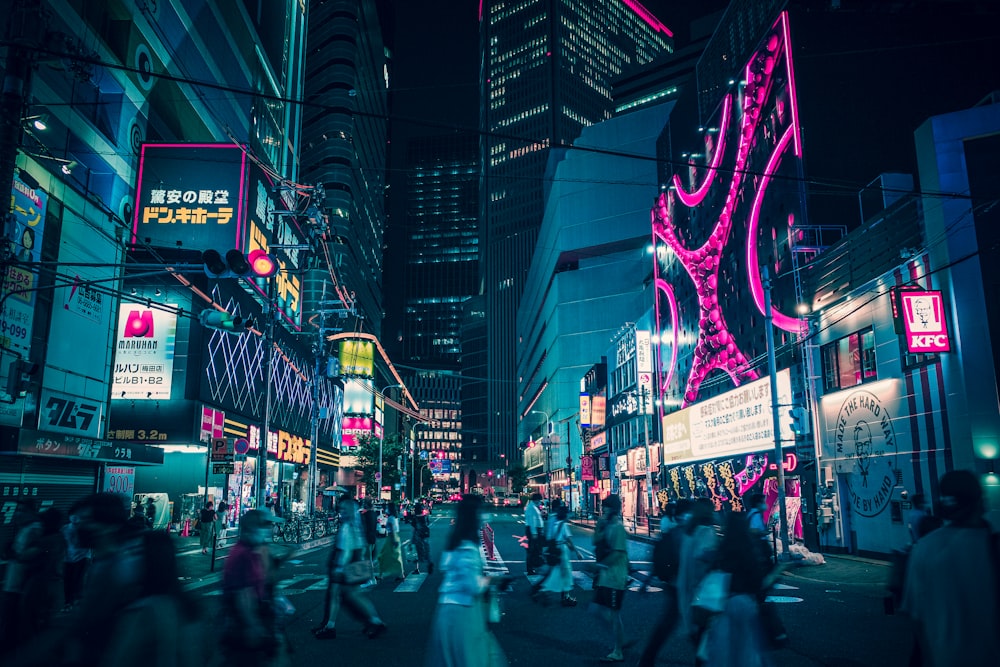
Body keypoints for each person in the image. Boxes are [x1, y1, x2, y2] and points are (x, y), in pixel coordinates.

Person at [902, 470, 1000, 666]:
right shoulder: (992, 547)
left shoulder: (924, 549)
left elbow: (916, 618)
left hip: (945, 658)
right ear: (980, 501)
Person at [424, 494, 508, 667]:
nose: (485, 516)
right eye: (481, 511)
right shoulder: (467, 548)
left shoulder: (454, 542)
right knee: (474, 659)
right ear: (473, 515)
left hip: (447, 611)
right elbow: (473, 586)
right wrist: (492, 579)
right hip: (463, 613)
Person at [102, 530, 209, 667]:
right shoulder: (184, 603)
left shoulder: (145, 612)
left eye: (135, 552)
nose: (124, 558)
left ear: (152, 559)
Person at [700, 510, 781, 666]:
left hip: (722, 608)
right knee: (746, 653)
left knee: (723, 654)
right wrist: (777, 572)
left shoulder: (721, 551)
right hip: (745, 606)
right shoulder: (749, 552)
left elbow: (709, 572)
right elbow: (759, 584)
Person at [312, 497, 387, 640]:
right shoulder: (357, 525)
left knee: (336, 594)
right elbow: (363, 547)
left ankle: (330, 626)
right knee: (353, 594)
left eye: (342, 509)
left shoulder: (346, 527)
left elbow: (345, 551)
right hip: (357, 562)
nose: (340, 512)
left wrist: (339, 568)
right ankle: (375, 621)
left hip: (345, 565)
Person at [221, 509, 286, 666]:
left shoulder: (250, 551)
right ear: (252, 529)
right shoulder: (242, 554)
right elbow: (242, 593)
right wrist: (253, 624)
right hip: (245, 622)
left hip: (252, 617)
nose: (269, 530)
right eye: (266, 526)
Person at [638, 498, 692, 667]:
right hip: (682, 586)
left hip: (675, 585)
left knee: (669, 625)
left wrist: (646, 581)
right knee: (689, 625)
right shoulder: (684, 534)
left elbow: (659, 558)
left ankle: (647, 659)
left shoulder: (674, 532)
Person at [677, 498, 720, 662]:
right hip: (704, 592)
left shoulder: (689, 531)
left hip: (688, 589)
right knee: (706, 643)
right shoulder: (706, 532)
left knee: (700, 642)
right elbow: (705, 556)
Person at [591, 494, 631, 663]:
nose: (603, 510)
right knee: (596, 610)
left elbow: (617, 553)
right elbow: (595, 542)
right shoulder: (607, 525)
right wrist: (598, 528)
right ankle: (620, 639)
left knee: (614, 615)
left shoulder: (618, 527)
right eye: (603, 507)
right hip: (606, 577)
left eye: (606, 507)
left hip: (615, 577)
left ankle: (618, 650)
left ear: (613, 508)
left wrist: (600, 566)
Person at [0, 499, 42, 653]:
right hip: (13, 584)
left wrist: (13, 554)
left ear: (33, 512)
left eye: (22, 510)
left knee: (12, 621)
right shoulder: (25, 529)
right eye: (17, 510)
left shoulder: (35, 529)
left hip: (19, 587)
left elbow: (30, 556)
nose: (17, 513)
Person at [535, 501, 580, 606]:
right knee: (565, 574)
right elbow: (569, 540)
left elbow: (549, 536)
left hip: (555, 549)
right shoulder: (563, 525)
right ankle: (565, 597)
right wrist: (577, 552)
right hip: (562, 551)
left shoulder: (553, 521)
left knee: (556, 573)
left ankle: (545, 591)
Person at [61, 502, 92, 610]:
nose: (74, 517)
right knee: (67, 581)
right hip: (68, 558)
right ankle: (68, 602)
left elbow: (88, 544)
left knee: (78, 580)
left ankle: (75, 600)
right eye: (72, 514)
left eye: (77, 515)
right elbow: (63, 544)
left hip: (82, 558)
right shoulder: (64, 528)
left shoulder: (84, 528)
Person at [377, 502, 406, 582]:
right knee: (396, 556)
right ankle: (401, 573)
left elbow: (392, 530)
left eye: (387, 507)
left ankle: (382, 574)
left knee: (383, 556)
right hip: (396, 537)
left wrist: (393, 540)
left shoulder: (391, 518)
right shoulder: (395, 517)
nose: (386, 509)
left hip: (391, 538)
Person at [409, 502, 433, 575]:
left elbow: (413, 530)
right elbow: (427, 524)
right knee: (426, 551)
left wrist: (411, 541)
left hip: (418, 537)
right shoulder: (425, 517)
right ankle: (429, 563)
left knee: (416, 553)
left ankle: (417, 569)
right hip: (425, 536)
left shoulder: (415, 518)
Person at [524, 493, 545, 574]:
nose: (540, 502)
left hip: (535, 530)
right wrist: (534, 533)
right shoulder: (531, 508)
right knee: (532, 550)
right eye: (539, 500)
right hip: (534, 530)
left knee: (535, 549)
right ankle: (530, 568)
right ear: (536, 500)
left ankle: (534, 565)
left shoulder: (533, 507)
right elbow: (532, 521)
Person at [360, 499, 379, 585]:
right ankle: (371, 578)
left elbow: (364, 528)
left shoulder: (365, 515)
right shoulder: (374, 514)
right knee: (369, 559)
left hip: (367, 539)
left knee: (367, 560)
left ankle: (370, 579)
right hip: (373, 538)